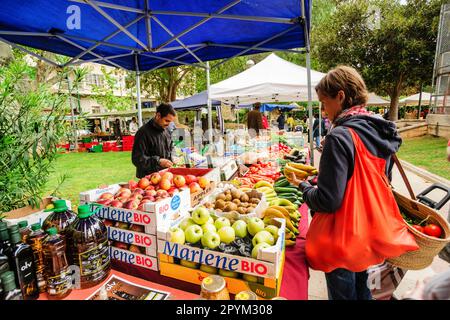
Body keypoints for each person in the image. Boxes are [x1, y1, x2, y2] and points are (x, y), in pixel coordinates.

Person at [286, 65, 418, 300]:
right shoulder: (378, 130)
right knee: (363, 292)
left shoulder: (339, 136)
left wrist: (303, 186)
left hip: (342, 241)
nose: (324, 111)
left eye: (324, 103)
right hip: (368, 235)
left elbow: (328, 200)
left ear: (340, 96)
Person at [132, 103, 175, 178]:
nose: (168, 124)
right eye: (167, 121)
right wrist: (158, 161)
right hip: (148, 178)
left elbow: (170, 148)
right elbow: (137, 159)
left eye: (170, 122)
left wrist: (174, 157)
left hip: (164, 176)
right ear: (158, 116)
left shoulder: (167, 130)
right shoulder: (143, 132)